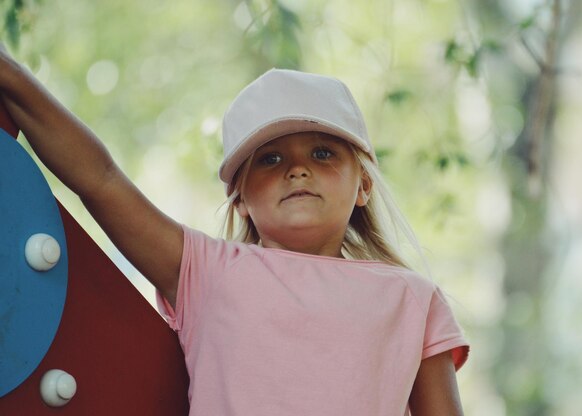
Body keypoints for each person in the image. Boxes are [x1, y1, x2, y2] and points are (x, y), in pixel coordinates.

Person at [0, 43, 469, 415]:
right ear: (240, 199)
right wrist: (12, 76)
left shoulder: (413, 299)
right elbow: (100, 180)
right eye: (270, 159)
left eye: (323, 152)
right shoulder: (206, 271)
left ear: (363, 184)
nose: (297, 170)